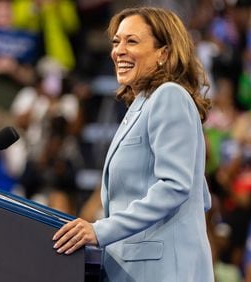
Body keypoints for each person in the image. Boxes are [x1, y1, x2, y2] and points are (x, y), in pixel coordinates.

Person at [52, 7, 215, 281]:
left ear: (163, 52)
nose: (118, 51)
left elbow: (176, 185)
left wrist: (101, 230)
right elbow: (201, 196)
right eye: (116, 42)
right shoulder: (142, 104)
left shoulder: (169, 96)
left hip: (163, 272)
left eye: (132, 41)